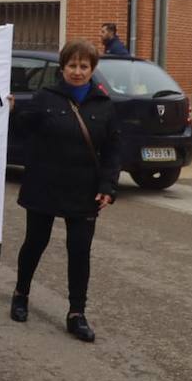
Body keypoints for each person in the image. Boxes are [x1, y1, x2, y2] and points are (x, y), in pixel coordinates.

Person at [8, 39, 122, 343]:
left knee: (80, 251)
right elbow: (22, 126)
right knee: (35, 242)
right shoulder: (46, 97)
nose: (77, 71)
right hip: (44, 183)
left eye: (84, 66)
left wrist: (108, 186)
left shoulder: (104, 105)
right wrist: (10, 110)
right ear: (63, 67)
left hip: (84, 190)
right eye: (72, 65)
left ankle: (76, 314)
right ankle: (21, 294)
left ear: (92, 69)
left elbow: (112, 150)